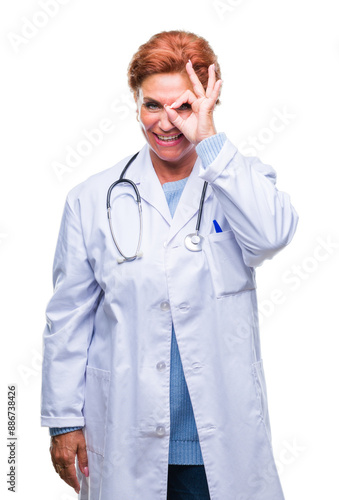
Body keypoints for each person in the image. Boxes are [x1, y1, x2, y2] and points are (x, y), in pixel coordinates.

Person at [41, 30, 298, 500]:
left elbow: (271, 236)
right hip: (125, 435)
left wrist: (211, 142)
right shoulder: (92, 199)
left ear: (208, 102)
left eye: (183, 107)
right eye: (152, 106)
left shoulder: (242, 180)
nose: (166, 123)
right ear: (135, 103)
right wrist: (62, 420)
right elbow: (68, 318)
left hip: (217, 443)